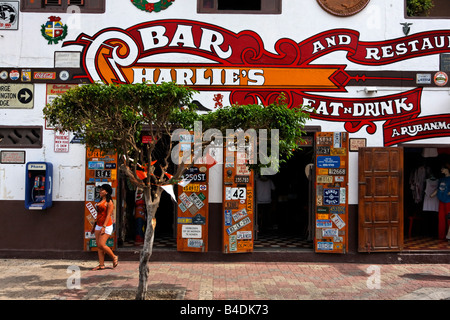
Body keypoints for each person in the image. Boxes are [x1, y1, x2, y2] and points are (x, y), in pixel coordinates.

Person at [91, 184, 119, 270]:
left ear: (106, 192)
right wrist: (93, 226)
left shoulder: (109, 202)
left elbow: (108, 215)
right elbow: (98, 215)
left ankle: (114, 257)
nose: (100, 191)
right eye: (100, 190)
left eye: (102, 190)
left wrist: (104, 226)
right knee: (99, 246)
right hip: (98, 225)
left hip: (106, 225)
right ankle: (101, 264)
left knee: (102, 244)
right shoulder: (100, 201)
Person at [431, 164, 450, 240]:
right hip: (441, 200)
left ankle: (449, 236)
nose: (441, 170)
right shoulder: (441, 179)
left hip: (448, 200)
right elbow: (438, 189)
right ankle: (441, 236)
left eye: (443, 168)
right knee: (441, 218)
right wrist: (433, 194)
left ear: (447, 169)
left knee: (449, 218)